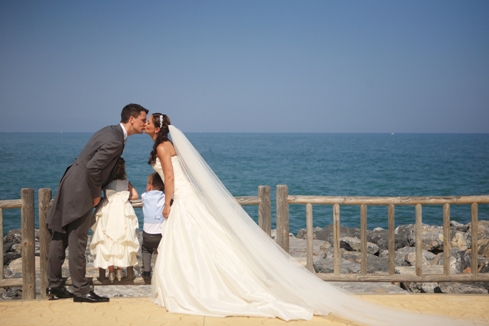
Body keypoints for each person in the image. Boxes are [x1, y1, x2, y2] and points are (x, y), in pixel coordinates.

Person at [144, 113, 473, 326]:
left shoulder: (163, 149)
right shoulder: (170, 144)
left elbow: (171, 178)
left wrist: (168, 203)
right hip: (186, 200)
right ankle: (202, 283)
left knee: (193, 242)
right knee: (202, 242)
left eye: (147, 123)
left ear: (157, 128)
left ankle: (196, 287)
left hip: (181, 201)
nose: (145, 126)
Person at [46, 103, 148, 303]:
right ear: (132, 119)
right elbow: (93, 168)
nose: (145, 124)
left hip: (71, 180)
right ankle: (81, 290)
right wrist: (95, 195)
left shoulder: (109, 131)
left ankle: (54, 285)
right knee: (77, 238)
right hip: (81, 188)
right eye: (144, 120)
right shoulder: (116, 141)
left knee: (61, 235)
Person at [89, 157, 140, 283]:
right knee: (123, 238)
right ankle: (119, 270)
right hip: (122, 208)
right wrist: (124, 198)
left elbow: (97, 193)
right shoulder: (126, 181)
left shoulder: (106, 181)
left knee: (107, 238)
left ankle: (110, 271)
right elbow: (135, 196)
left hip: (108, 208)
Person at [140, 172, 166, 280]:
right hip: (160, 233)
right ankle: (160, 272)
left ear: (150, 186)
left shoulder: (144, 196)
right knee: (161, 251)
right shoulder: (165, 197)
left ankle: (146, 271)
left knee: (146, 249)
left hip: (148, 233)